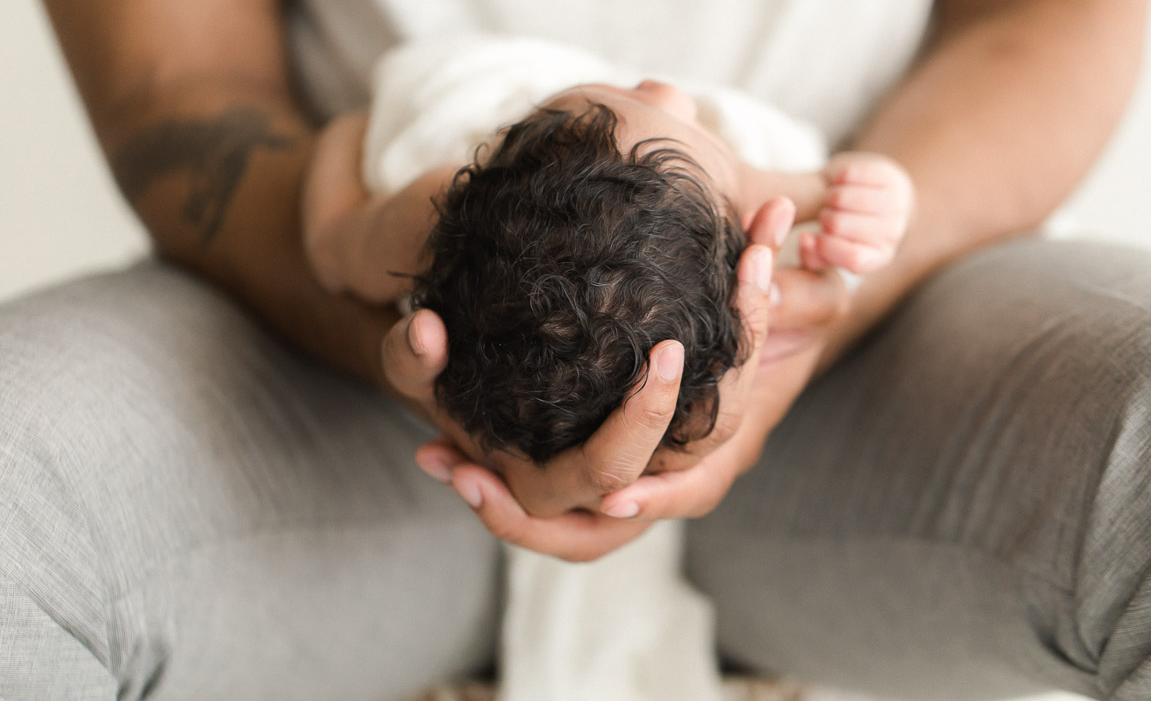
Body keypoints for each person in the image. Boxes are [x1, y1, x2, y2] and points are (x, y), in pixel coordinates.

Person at [2, 0, 1151, 701]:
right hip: (335, 387)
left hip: (872, 360)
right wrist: (387, 287)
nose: (664, 81)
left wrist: (845, 271)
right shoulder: (415, 170)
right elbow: (182, 88)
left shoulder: (762, 216)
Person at [303, 34, 912, 464]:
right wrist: (869, 194)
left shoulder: (430, 203)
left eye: (626, 100)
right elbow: (809, 194)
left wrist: (345, 134)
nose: (666, 88)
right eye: (647, 105)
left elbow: (332, 245)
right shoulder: (743, 199)